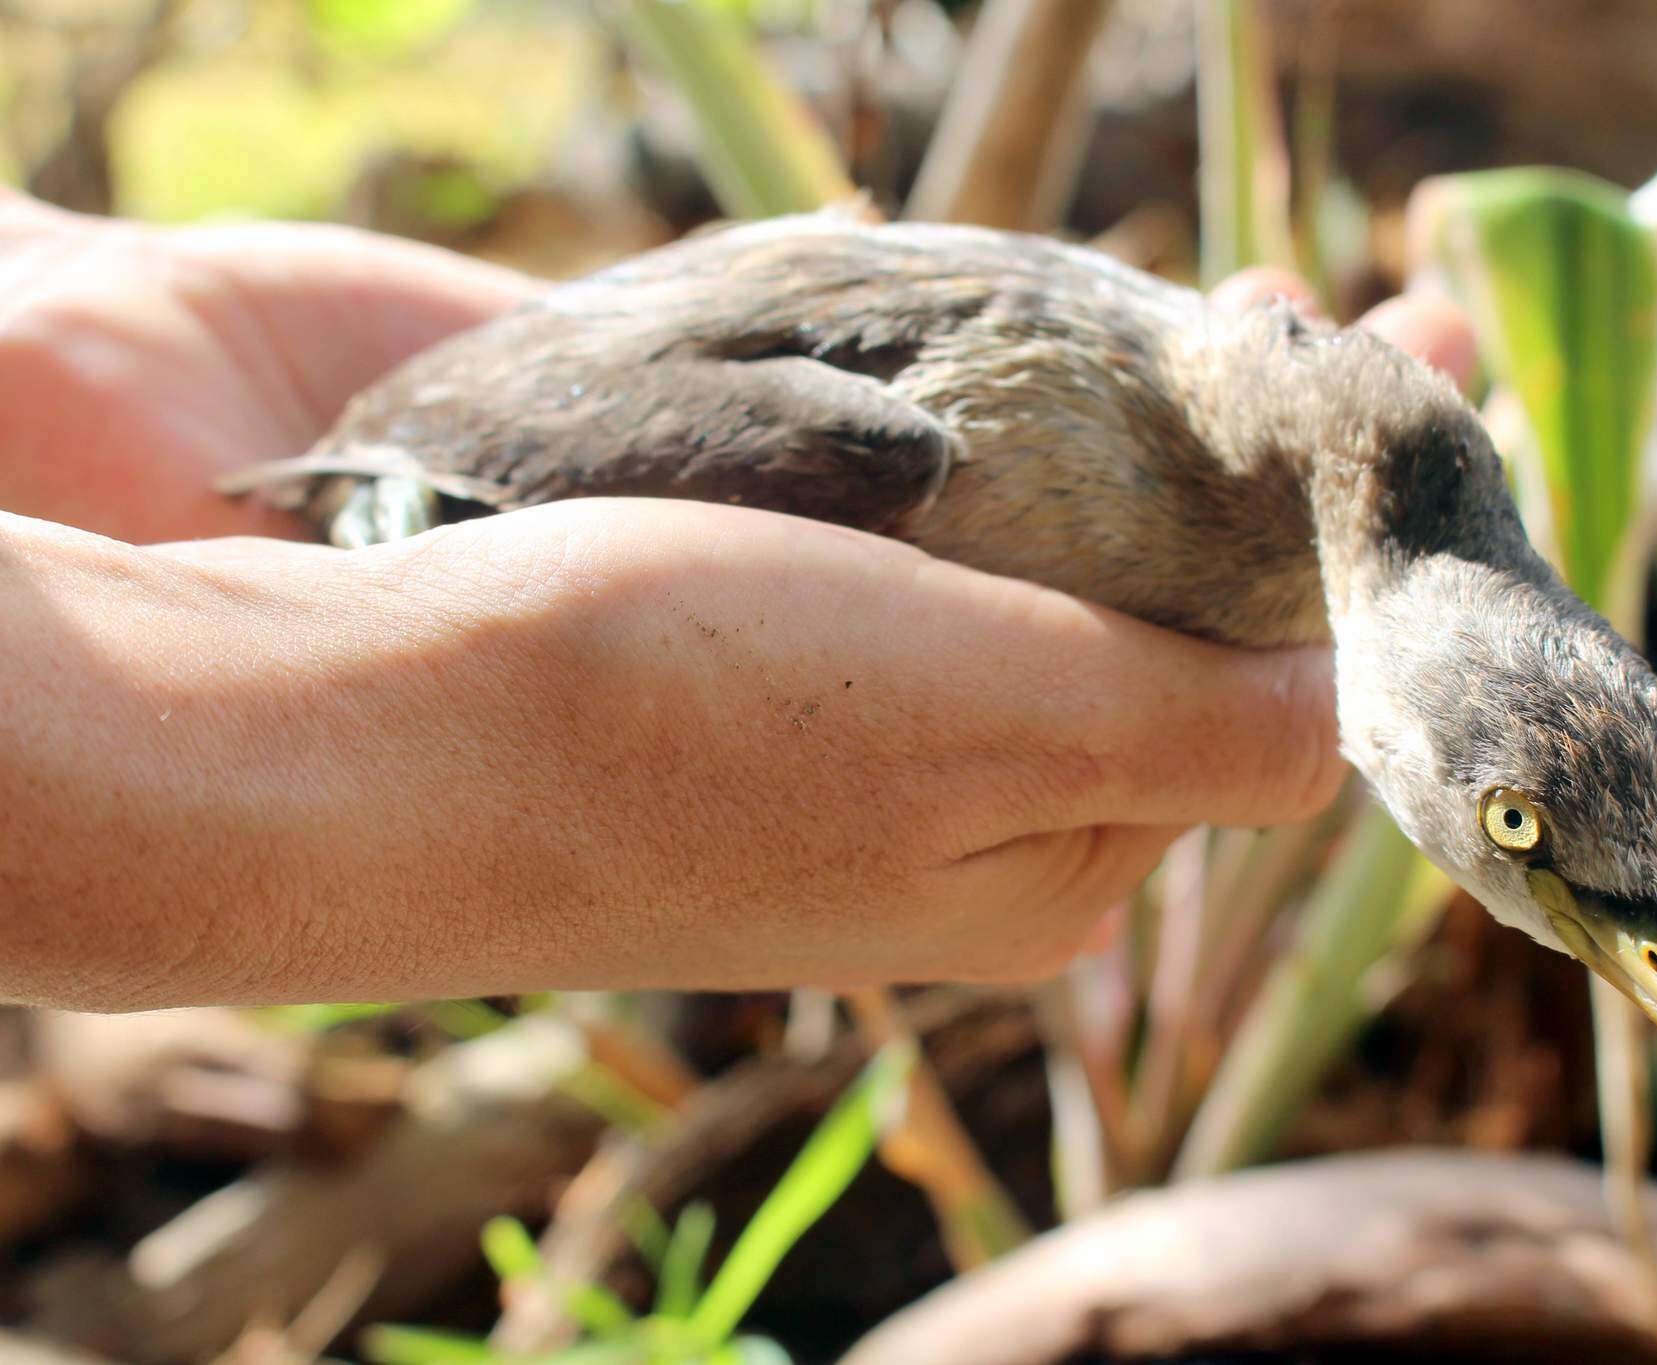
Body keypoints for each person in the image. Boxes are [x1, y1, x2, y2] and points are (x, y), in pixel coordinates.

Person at [0, 189, 1475, 1012]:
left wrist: (61, 291)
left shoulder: (1279, 485)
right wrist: (376, 766)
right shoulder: (944, 444)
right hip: (407, 442)